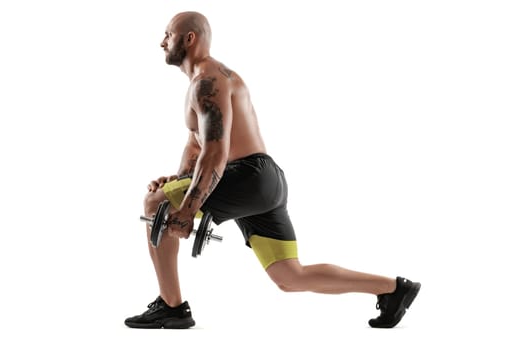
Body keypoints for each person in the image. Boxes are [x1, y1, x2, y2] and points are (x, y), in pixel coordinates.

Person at [124, 11, 421, 330]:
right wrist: (179, 180)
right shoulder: (205, 81)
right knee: (290, 276)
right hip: (264, 181)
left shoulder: (208, 81)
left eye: (167, 34)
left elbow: (216, 151)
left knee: (155, 204)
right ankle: (394, 288)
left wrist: (188, 207)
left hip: (245, 176)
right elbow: (195, 147)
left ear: (189, 38)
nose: (162, 42)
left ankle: (171, 306)